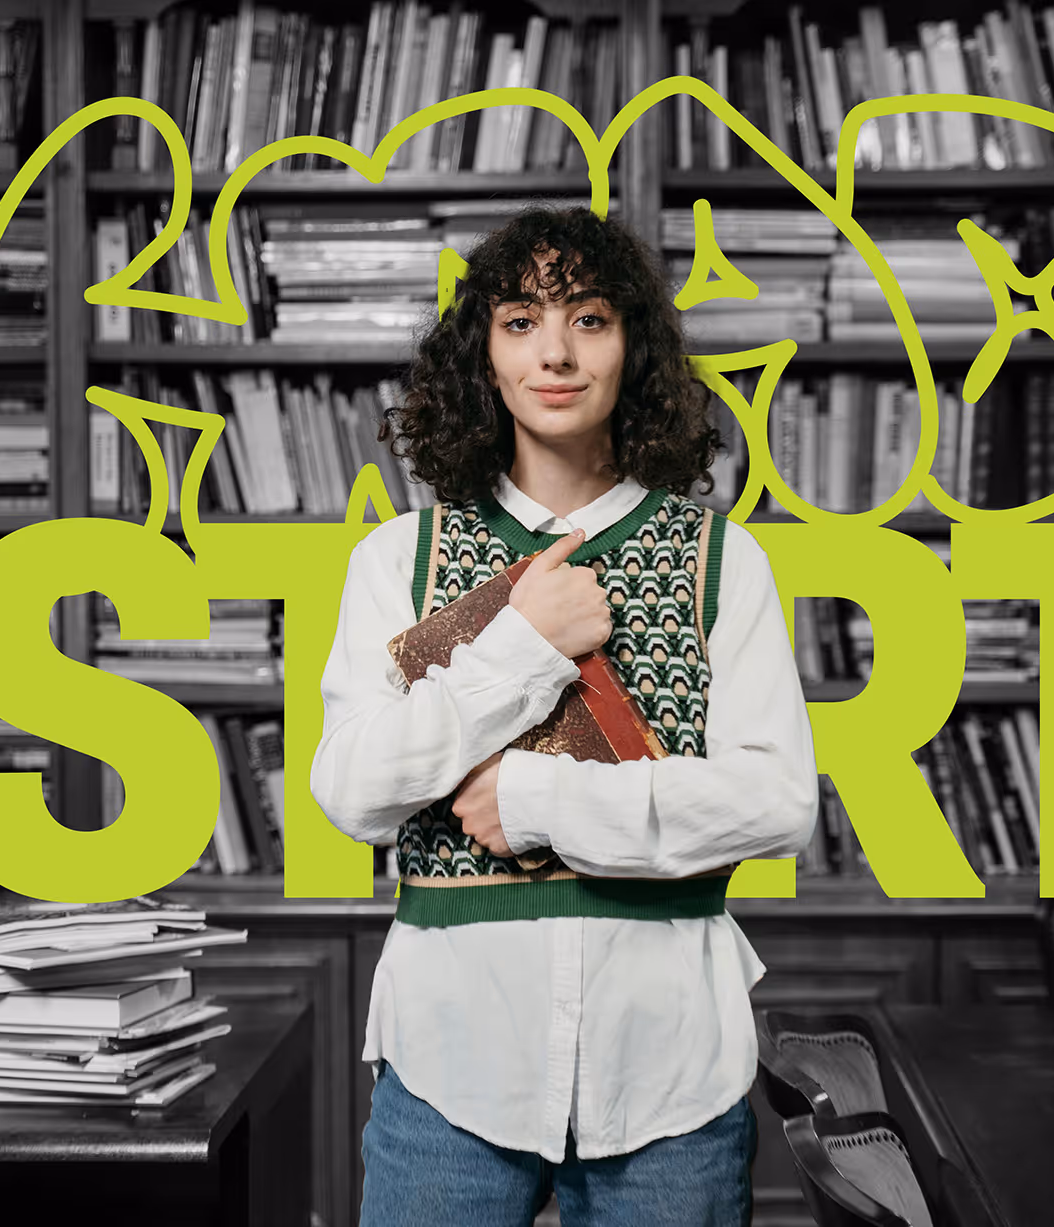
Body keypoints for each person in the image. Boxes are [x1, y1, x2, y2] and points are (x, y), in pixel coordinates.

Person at [310, 205, 818, 1226]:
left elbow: (777, 803)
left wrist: (539, 799)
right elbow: (352, 792)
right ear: (484, 359)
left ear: (635, 350)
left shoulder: (724, 558)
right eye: (520, 322)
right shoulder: (397, 559)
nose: (555, 352)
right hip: (449, 1067)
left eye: (589, 319)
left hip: (670, 1071)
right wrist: (523, 648)